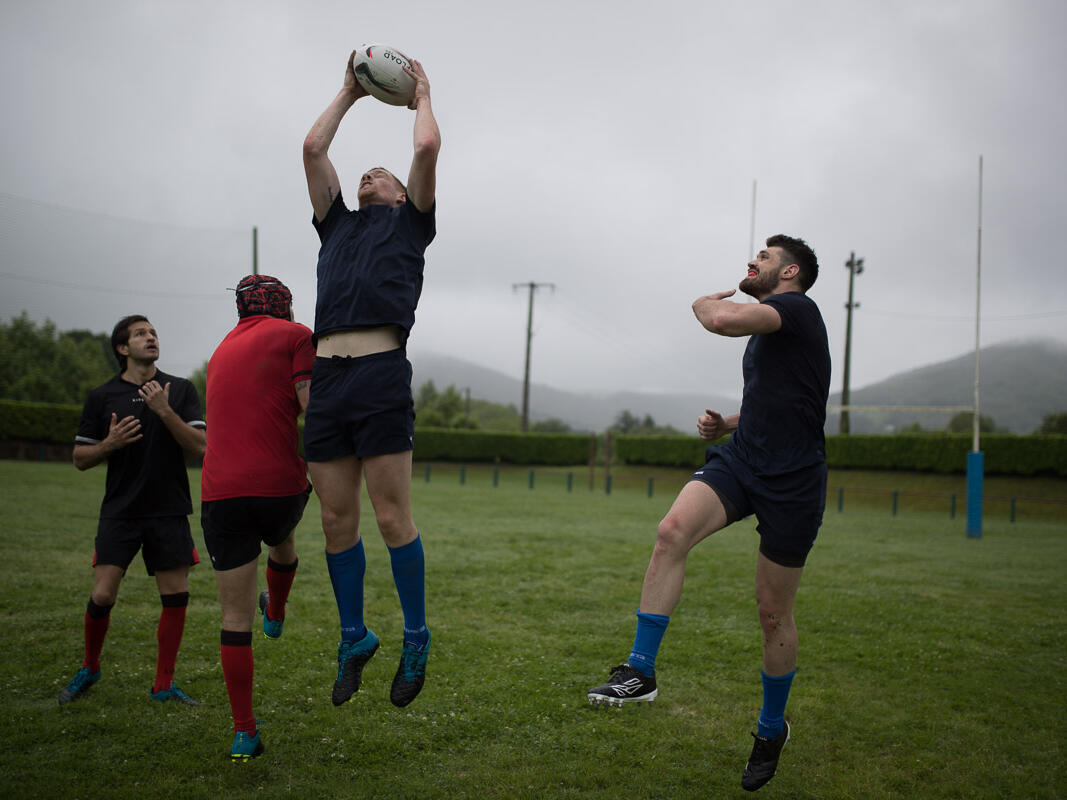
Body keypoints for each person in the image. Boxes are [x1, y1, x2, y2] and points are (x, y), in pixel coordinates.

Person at [587, 235, 831, 793]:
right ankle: (640, 672)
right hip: (744, 459)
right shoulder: (779, 323)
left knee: (772, 612)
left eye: (765, 258)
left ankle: (771, 729)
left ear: (790, 271)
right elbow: (783, 402)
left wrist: (704, 304)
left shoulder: (796, 308)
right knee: (671, 530)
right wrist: (731, 426)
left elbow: (719, 321)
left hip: (793, 483)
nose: (752, 261)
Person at [301, 50, 441, 708]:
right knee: (335, 522)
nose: (370, 172)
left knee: (391, 519)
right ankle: (354, 636)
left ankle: (416, 635)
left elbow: (427, 145)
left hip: (381, 372)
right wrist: (349, 93)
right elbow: (310, 147)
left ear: (401, 192)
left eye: (381, 172)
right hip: (325, 379)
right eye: (366, 170)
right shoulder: (335, 227)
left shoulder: (411, 222)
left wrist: (420, 96)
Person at [60, 315, 207, 707]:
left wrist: (164, 410)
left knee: (175, 595)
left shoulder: (180, 390)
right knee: (103, 595)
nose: (151, 337)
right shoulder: (101, 396)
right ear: (123, 349)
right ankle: (90, 667)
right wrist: (108, 444)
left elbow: (201, 447)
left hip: (169, 510)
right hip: (120, 512)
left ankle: (163, 685)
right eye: (141, 334)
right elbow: (79, 458)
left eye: (154, 332)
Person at [200, 274, 315, 762]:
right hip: (278, 487)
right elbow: (312, 406)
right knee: (282, 540)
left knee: (232, 617)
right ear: (284, 306)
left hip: (219, 492)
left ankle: (244, 731)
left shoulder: (219, 349)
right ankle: (278, 612)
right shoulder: (297, 335)